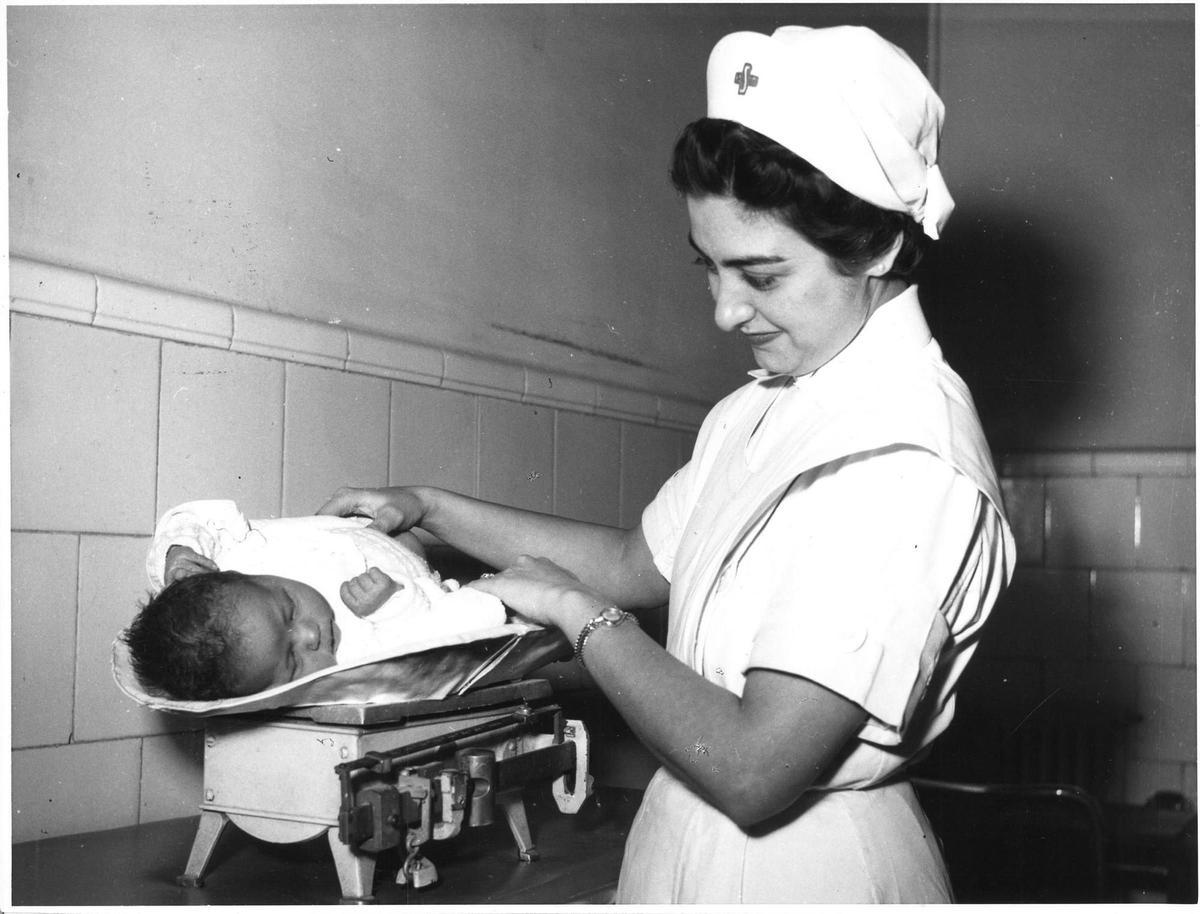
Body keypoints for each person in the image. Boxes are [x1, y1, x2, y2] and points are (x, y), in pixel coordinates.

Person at [318, 24, 1015, 904]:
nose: (726, 312)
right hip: (682, 845)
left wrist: (581, 617)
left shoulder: (906, 459)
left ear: (877, 248)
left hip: (810, 874)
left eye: (761, 276)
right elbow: (631, 563)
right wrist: (429, 508)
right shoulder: (768, 404)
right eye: (709, 270)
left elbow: (756, 767)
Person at [123, 499, 505, 699]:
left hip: (378, 528)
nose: (308, 636)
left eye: (288, 609)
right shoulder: (349, 658)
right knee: (481, 607)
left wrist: (179, 550)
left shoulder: (229, 567)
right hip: (421, 584)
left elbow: (199, 517)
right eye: (292, 661)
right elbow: (431, 642)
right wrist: (394, 606)